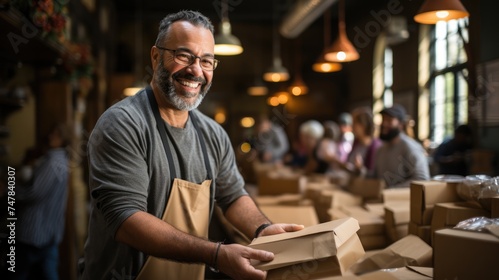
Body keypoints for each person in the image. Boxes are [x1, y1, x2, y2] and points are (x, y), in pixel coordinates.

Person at [80, 10, 303, 280]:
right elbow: (126, 219)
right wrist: (217, 254)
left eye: (207, 61)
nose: (196, 71)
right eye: (184, 56)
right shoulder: (123, 124)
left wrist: (262, 229)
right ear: (156, 56)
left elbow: (232, 195)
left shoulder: (213, 134)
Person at [10, 124, 70, 280]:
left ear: (63, 140)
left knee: (17, 273)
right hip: (48, 231)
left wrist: (10, 190)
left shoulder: (53, 163)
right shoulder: (61, 160)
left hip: (35, 231)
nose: (51, 137)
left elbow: (34, 192)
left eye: (56, 135)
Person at [372, 104, 430, 188]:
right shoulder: (380, 150)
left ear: (400, 125)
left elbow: (422, 179)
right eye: (383, 119)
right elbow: (376, 177)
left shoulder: (411, 147)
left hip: (402, 200)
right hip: (383, 198)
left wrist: (391, 191)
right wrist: (360, 171)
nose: (384, 124)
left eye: (389, 120)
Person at [339, 107, 382, 176]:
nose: (352, 126)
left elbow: (374, 174)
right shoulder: (356, 142)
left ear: (364, 125)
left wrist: (361, 169)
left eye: (355, 123)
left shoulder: (375, 146)